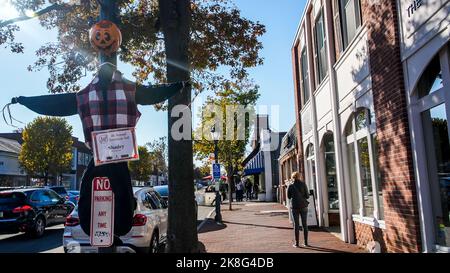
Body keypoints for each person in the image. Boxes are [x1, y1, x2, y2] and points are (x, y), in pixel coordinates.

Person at [288, 172, 310, 248]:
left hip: (294, 207)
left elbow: (288, 196)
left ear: (293, 177)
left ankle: (297, 243)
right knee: (305, 225)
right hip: (303, 206)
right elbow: (307, 196)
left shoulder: (290, 186)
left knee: (296, 225)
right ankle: (306, 243)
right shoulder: (303, 184)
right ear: (299, 177)